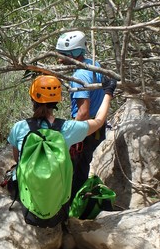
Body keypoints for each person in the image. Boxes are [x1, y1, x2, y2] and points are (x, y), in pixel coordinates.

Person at [7, 74, 116, 225]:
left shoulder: (19, 127)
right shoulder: (68, 128)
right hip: (58, 205)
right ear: (57, 100)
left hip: (29, 203)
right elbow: (98, 121)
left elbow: (16, 158)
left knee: (13, 171)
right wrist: (108, 92)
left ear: (33, 99)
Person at [55, 30, 107, 199]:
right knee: (83, 166)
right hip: (97, 126)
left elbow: (83, 112)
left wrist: (72, 134)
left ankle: (72, 205)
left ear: (73, 53)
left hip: (85, 129)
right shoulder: (94, 65)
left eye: (61, 54)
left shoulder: (79, 76)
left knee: (75, 170)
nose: (58, 57)